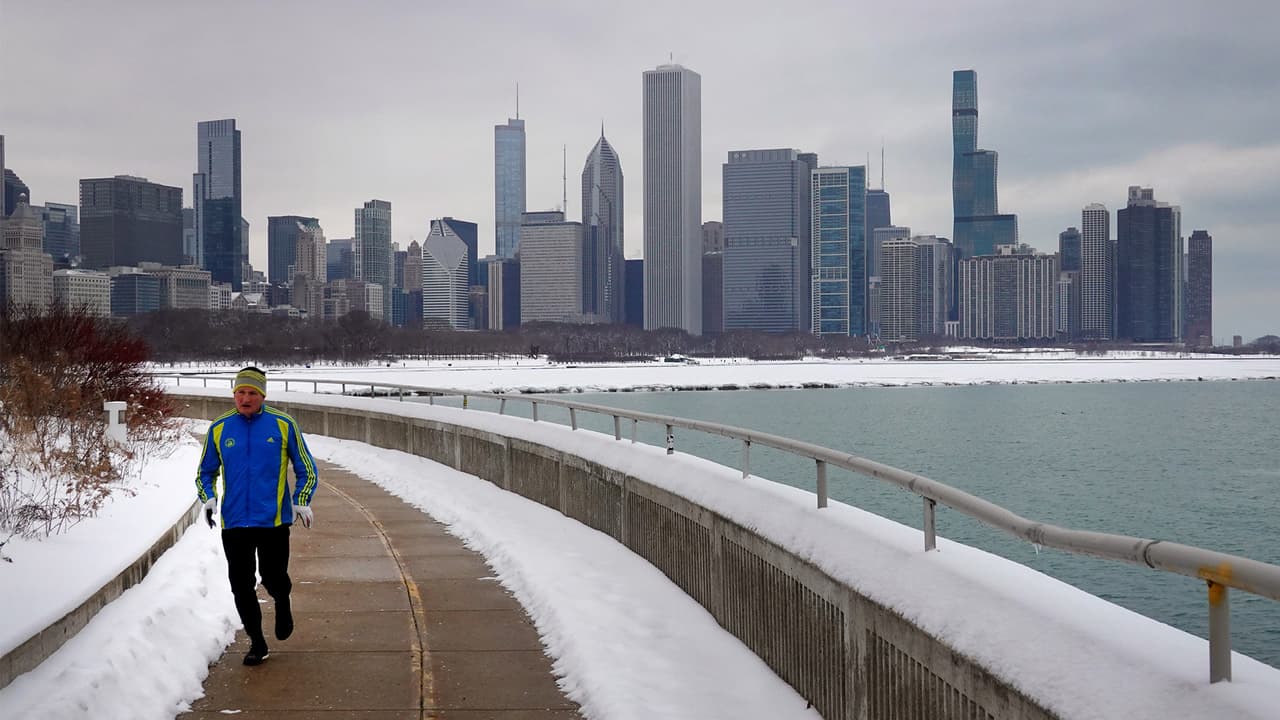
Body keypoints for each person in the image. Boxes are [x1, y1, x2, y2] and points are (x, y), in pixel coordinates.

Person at [196, 366, 319, 666]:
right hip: (235, 522)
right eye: (240, 392)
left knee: (274, 577)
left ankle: (281, 600)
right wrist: (208, 498)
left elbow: (307, 468)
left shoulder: (283, 424)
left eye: (252, 393)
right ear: (234, 394)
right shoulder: (220, 428)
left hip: (273, 521)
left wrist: (300, 500)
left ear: (262, 395)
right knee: (240, 584)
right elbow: (205, 472)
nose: (245, 398)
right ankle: (257, 642)